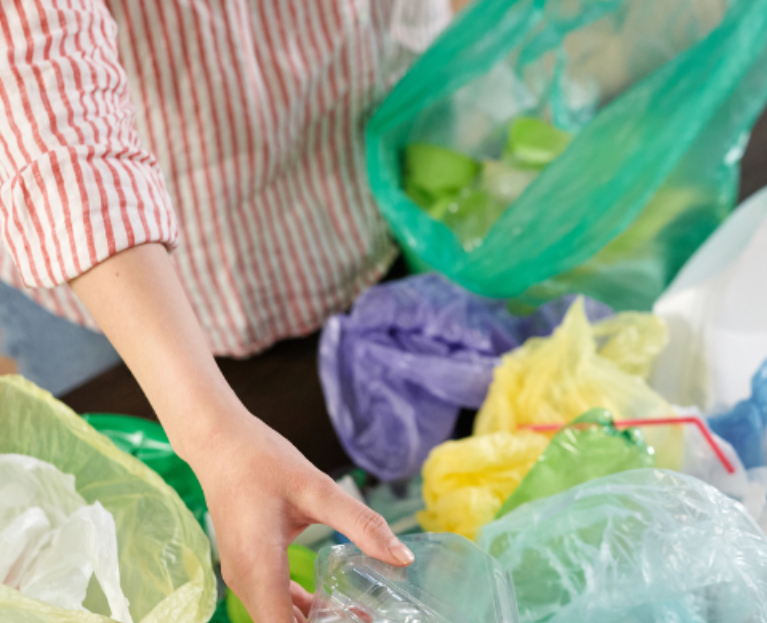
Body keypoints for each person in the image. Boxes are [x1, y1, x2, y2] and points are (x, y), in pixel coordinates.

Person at [0, 1, 455, 621]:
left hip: (362, 171)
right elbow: (38, 88)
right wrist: (213, 435)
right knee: (108, 514)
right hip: (117, 276)